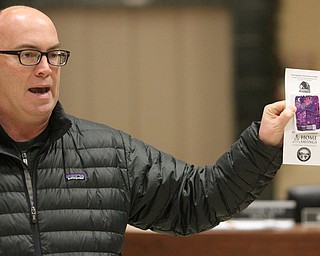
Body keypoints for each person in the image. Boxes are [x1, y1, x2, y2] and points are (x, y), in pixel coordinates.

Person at [0, 5, 295, 256]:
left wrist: (262, 143)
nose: (45, 68)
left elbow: (198, 199)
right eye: (28, 54)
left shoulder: (109, 152)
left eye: (53, 55)